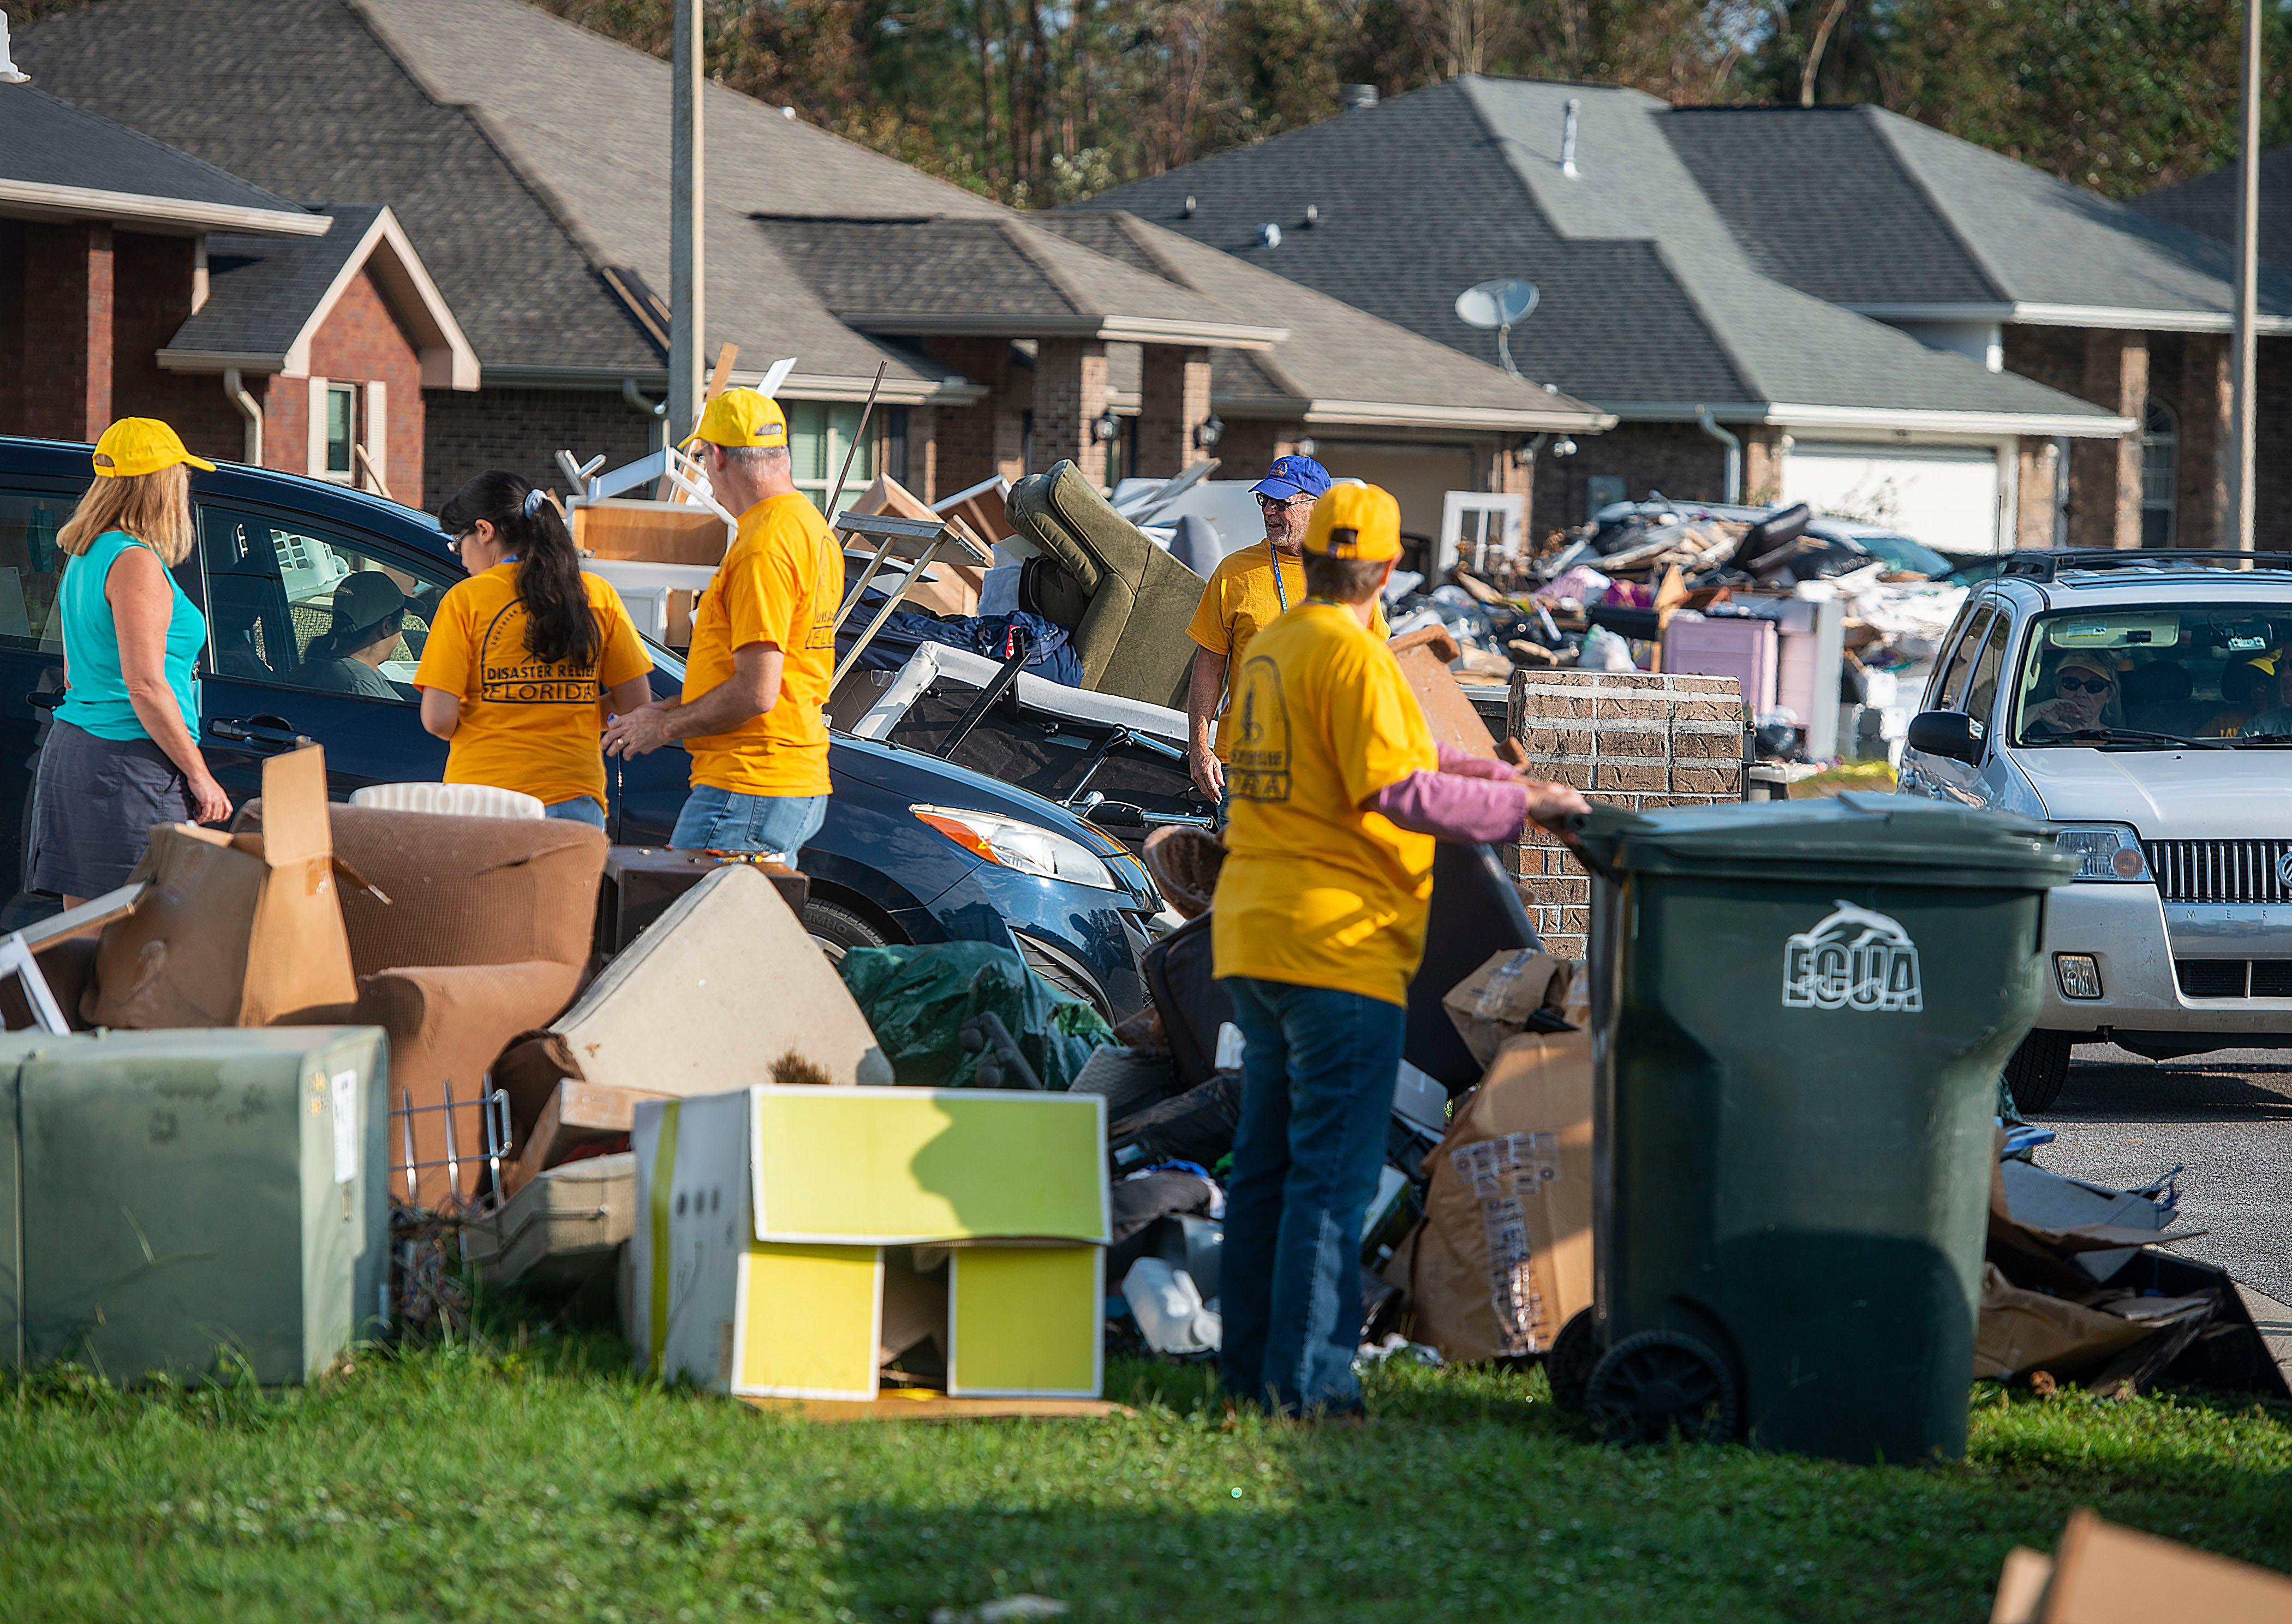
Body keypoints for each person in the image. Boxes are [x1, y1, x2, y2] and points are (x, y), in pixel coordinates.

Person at [1210, 483, 1586, 1419]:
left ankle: (1247, 1371)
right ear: (1384, 566)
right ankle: (1312, 1391)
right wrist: (1526, 806)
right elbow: (1400, 794)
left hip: (1257, 938)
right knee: (1330, 1180)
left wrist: (1502, 773)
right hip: (1340, 947)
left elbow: (1408, 752)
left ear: (1316, 557)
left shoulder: (1282, 649)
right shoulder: (1359, 656)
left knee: (1263, 1167)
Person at [602, 389, 840, 860]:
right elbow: (773, 676)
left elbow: (756, 693)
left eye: (703, 457)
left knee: (688, 929)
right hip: (781, 778)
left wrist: (664, 731)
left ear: (717, 456)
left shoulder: (763, 547)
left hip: (746, 785)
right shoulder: (808, 528)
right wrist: (667, 710)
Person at [27, 419, 231, 905]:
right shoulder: (135, 561)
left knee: (85, 941)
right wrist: (199, 775)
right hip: (127, 765)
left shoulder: (86, 552)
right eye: (181, 475)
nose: (186, 485)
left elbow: (78, 671)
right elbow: (144, 685)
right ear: (160, 483)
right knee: (133, 943)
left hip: (79, 751)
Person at [416, 472, 654, 825]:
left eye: (457, 542)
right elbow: (635, 704)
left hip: (484, 795)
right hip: (576, 796)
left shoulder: (464, 600)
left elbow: (438, 720)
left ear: (484, 531)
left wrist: (504, 712)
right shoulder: (597, 594)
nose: (460, 557)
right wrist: (561, 708)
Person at [1186, 456, 1390, 807]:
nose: (1269, 512)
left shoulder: (1348, 576)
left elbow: (1375, 676)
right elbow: (1209, 666)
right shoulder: (1234, 572)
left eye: (1282, 504)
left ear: (1318, 508)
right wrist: (1200, 748)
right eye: (1265, 501)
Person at [299, 571, 408, 699]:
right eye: (401, 622)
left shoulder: (323, 668)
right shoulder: (360, 686)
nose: (401, 633)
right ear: (387, 627)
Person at [2022, 652, 2121, 738]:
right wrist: (2038, 712)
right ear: (2059, 689)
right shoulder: (2033, 733)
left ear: (2109, 695)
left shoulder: (2123, 740)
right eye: (2072, 683)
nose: (2081, 693)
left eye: (2094, 686)